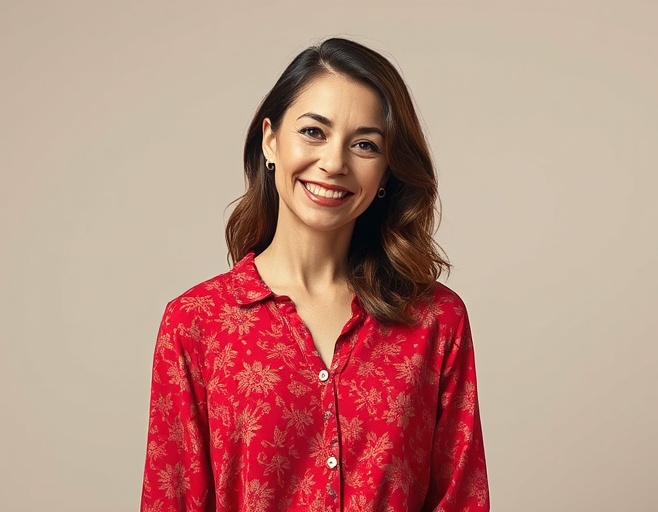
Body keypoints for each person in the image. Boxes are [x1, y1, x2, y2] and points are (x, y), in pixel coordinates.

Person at [141, 37, 489, 511]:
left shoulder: (435, 321)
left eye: (365, 144)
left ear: (387, 171)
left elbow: (461, 500)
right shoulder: (197, 324)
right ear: (270, 140)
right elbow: (172, 500)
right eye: (313, 132)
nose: (334, 163)